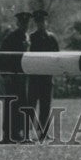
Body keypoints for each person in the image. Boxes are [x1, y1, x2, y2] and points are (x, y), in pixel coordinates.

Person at [0, 10, 31, 144]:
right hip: (13, 76)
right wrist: (5, 74)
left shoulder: (27, 37)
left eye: (27, 23)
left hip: (24, 77)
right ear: (18, 23)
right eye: (22, 22)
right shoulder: (11, 37)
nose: (24, 25)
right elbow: (1, 56)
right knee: (11, 105)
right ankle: (8, 134)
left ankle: (19, 132)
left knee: (24, 105)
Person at [26, 8, 59, 141]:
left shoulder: (51, 38)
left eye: (43, 21)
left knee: (45, 107)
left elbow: (57, 56)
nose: (41, 24)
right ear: (36, 23)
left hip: (46, 77)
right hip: (34, 77)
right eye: (38, 21)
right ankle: (27, 133)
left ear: (46, 22)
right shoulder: (31, 38)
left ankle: (43, 133)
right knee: (31, 106)